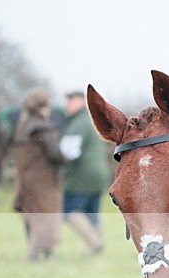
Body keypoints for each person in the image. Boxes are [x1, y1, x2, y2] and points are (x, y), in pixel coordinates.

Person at [10, 89, 65, 262]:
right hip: (43, 181)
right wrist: (68, 156)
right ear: (43, 108)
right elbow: (55, 154)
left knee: (32, 216)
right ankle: (36, 253)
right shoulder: (44, 128)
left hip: (24, 179)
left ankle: (43, 251)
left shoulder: (21, 128)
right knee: (45, 217)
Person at [60, 90, 112, 254]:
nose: (67, 105)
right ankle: (98, 242)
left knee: (68, 210)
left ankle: (94, 242)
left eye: (70, 100)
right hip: (100, 174)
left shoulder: (79, 123)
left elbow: (69, 151)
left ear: (81, 102)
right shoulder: (93, 120)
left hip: (82, 175)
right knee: (91, 211)